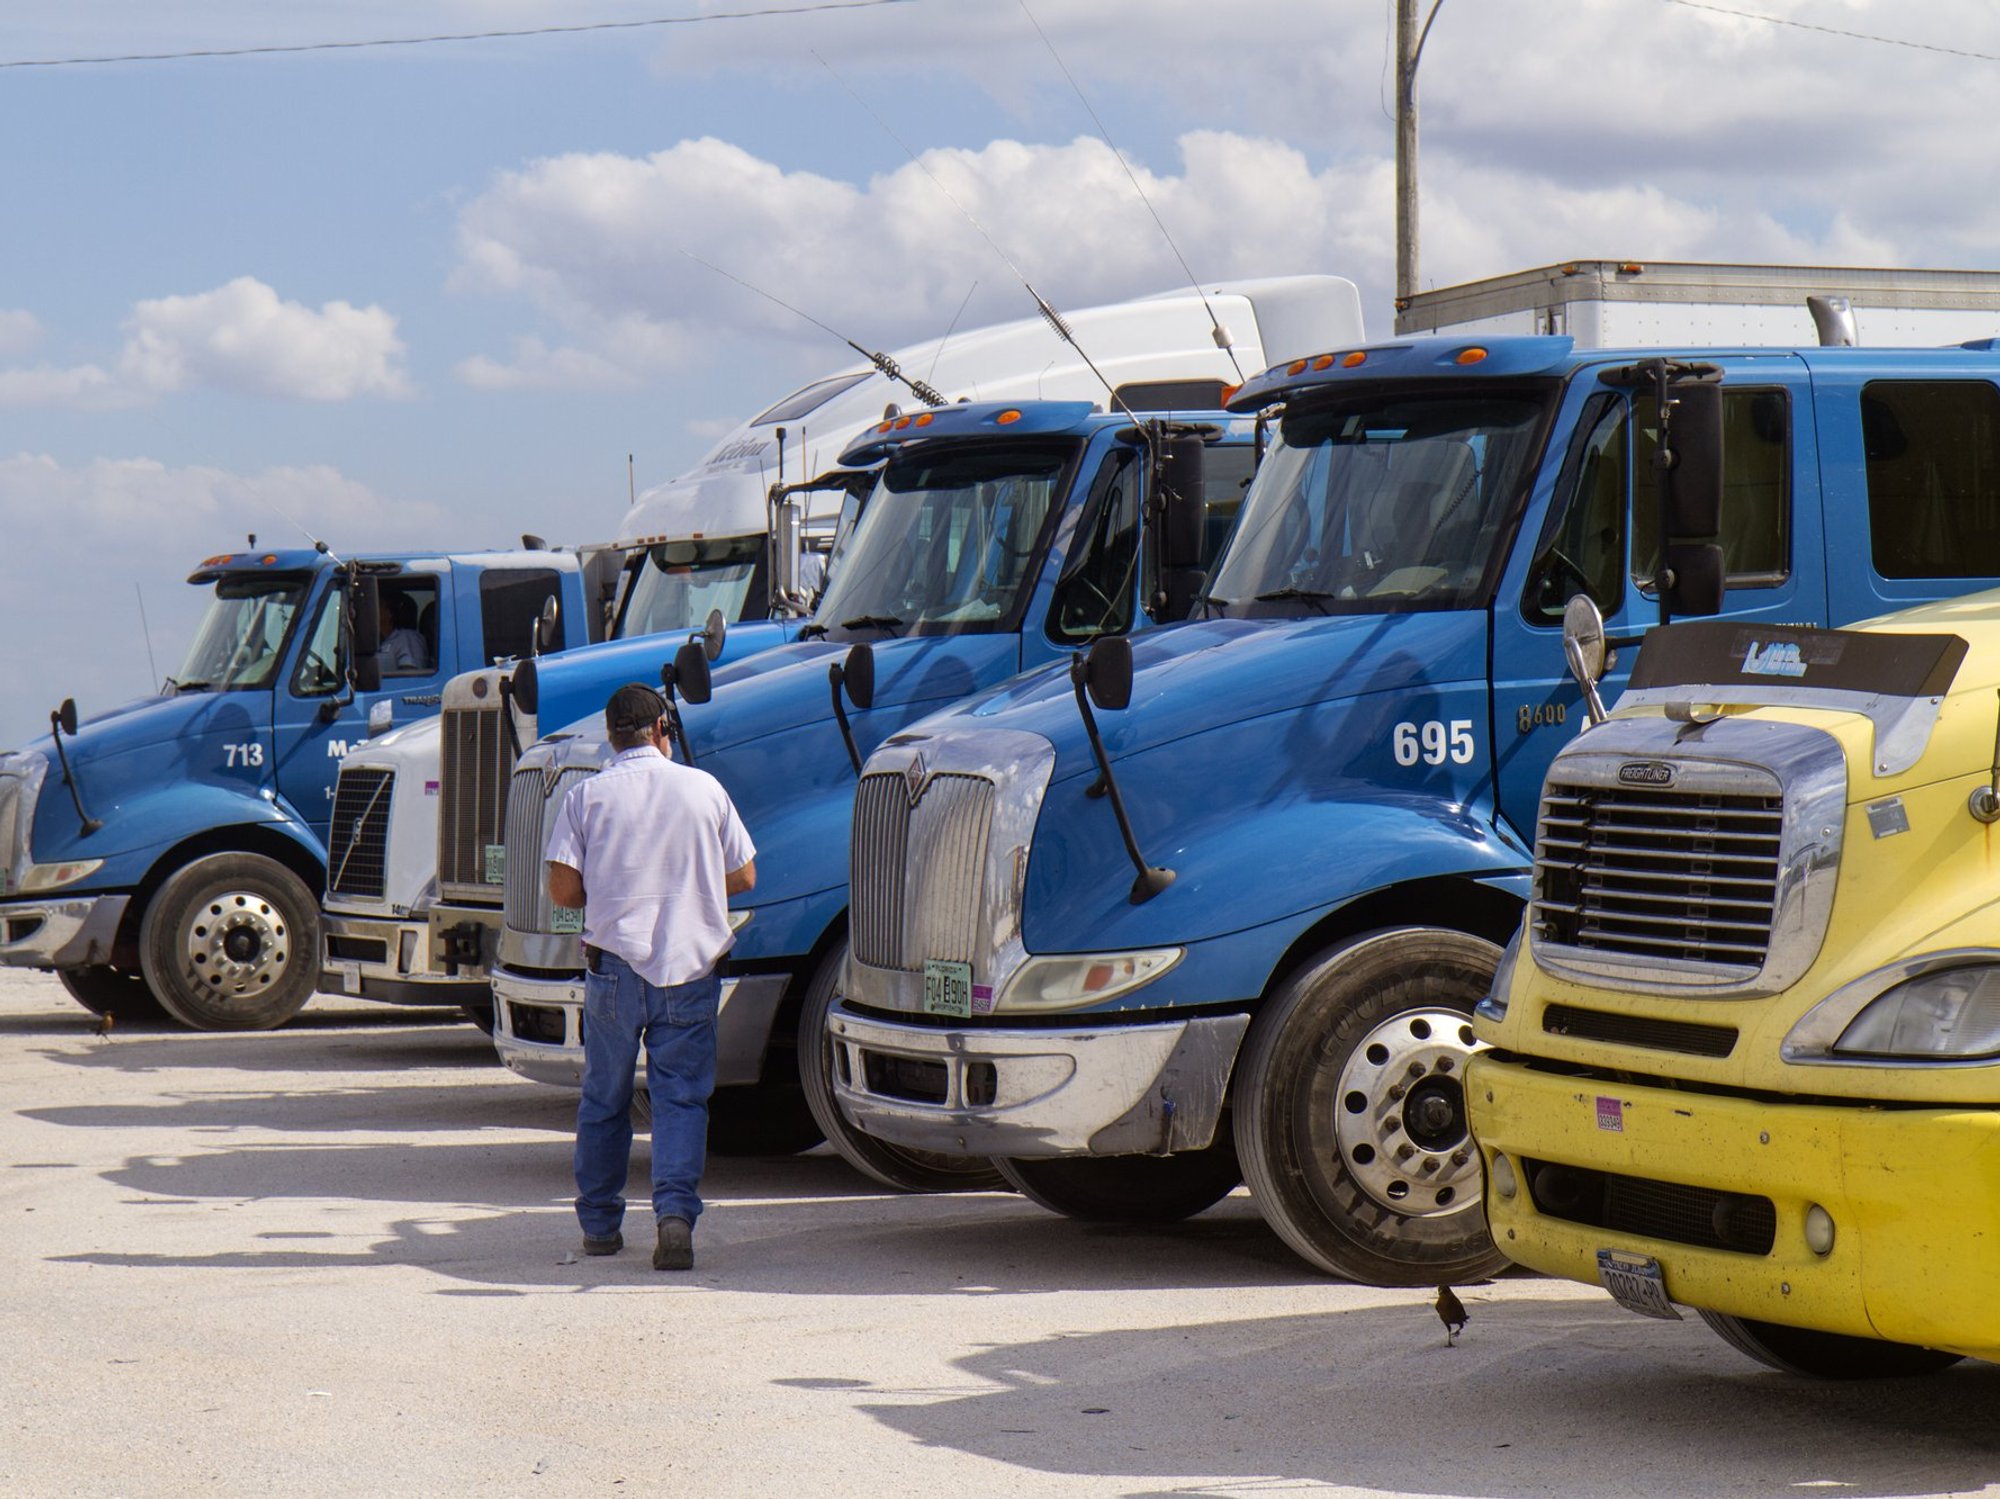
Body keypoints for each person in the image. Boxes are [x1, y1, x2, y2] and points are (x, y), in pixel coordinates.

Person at [544, 683, 756, 1270]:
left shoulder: (586, 796)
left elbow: (563, 890)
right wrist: (690, 881)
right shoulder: (704, 787)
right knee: (680, 1099)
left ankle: (600, 1227)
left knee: (605, 1097)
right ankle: (675, 1219)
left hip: (614, 971)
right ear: (662, 729)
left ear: (611, 736)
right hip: (689, 969)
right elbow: (745, 875)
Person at [378, 593, 429, 674]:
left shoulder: (408, 638)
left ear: (390, 613)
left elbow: (410, 674)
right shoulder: (383, 641)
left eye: (380, 605)